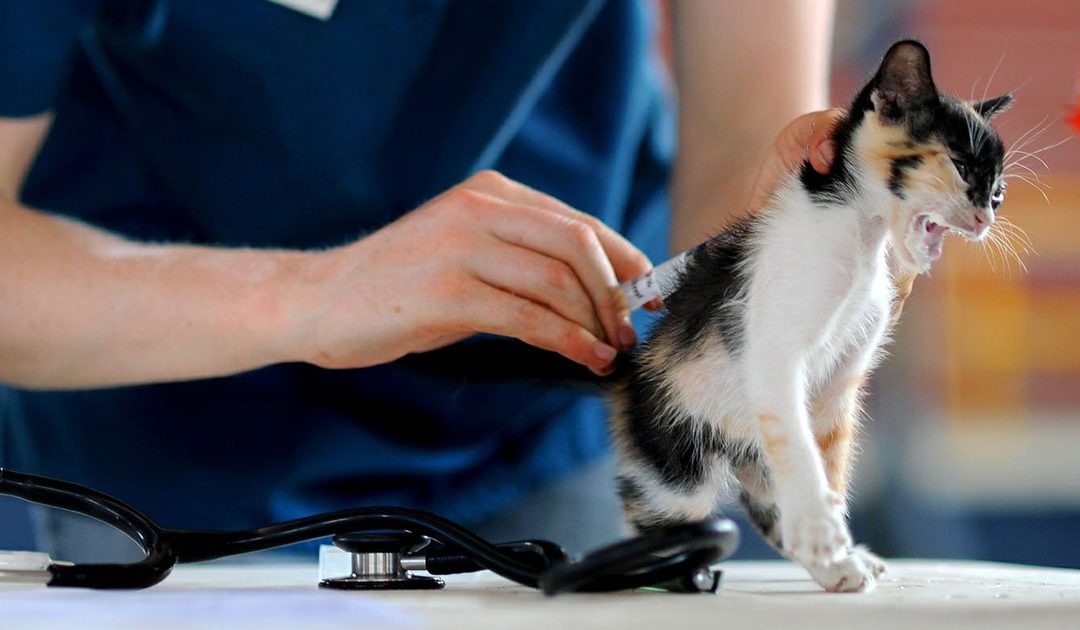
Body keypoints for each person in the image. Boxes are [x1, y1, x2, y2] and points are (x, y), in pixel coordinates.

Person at [0, 0, 838, 560]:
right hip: (166, 405)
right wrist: (320, 296)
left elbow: (744, 134)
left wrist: (762, 301)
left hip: (559, 408)